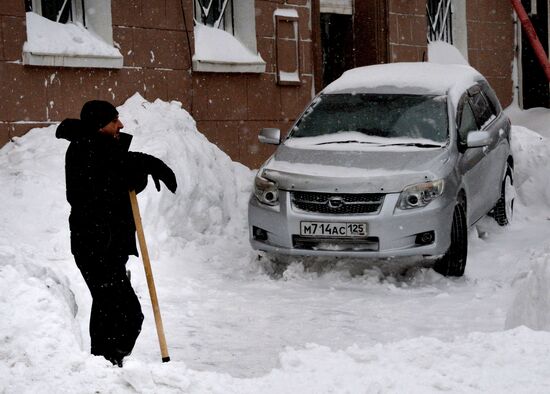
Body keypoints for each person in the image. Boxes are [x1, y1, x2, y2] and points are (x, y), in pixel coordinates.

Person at [56, 100, 177, 367]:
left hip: (108, 247)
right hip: (95, 248)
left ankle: (104, 365)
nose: (120, 124)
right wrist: (139, 167)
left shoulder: (101, 150)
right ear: (100, 126)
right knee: (127, 315)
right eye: (114, 121)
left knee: (107, 310)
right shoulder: (82, 151)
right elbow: (98, 187)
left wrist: (134, 175)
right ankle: (108, 362)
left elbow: (113, 180)